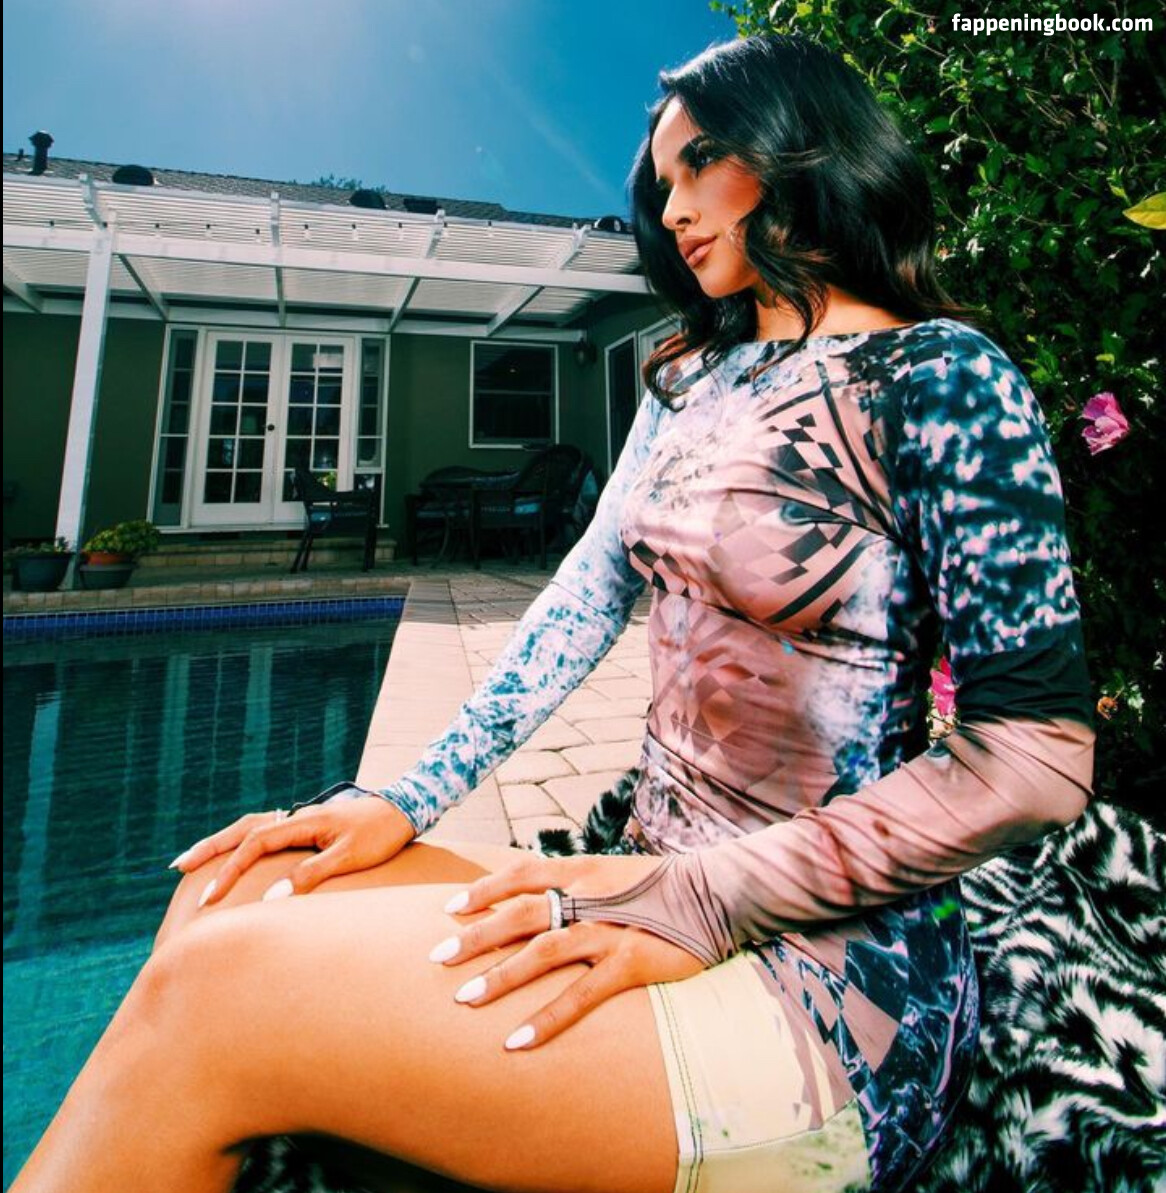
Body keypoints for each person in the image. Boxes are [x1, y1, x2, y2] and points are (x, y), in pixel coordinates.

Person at [13, 32, 1094, 1193]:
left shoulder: (939, 377)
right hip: (643, 874)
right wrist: (401, 797)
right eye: (660, 182)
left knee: (217, 994)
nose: (670, 208)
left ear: (800, 146)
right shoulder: (690, 382)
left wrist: (699, 895)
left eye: (699, 162)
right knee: (228, 887)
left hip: (824, 983)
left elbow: (1033, 757)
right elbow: (579, 599)